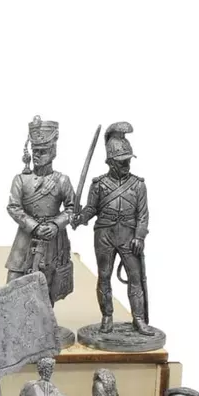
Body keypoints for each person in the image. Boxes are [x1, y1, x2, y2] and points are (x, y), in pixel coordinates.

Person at [75, 121, 154, 335]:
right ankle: (107, 316)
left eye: (128, 159)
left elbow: (143, 215)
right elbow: (91, 209)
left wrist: (139, 237)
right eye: (121, 161)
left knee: (135, 278)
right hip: (105, 235)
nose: (126, 163)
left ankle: (138, 319)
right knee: (104, 276)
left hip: (129, 236)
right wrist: (80, 218)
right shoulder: (99, 185)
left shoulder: (138, 185)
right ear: (110, 162)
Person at [5, 115, 76, 304]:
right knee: (14, 279)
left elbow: (72, 209)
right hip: (26, 235)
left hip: (53, 238)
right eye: (35, 151)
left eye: (42, 151)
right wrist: (34, 226)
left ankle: (45, 318)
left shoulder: (62, 181)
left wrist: (56, 224)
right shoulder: (21, 180)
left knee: (49, 282)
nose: (37, 155)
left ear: (53, 152)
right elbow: (13, 207)